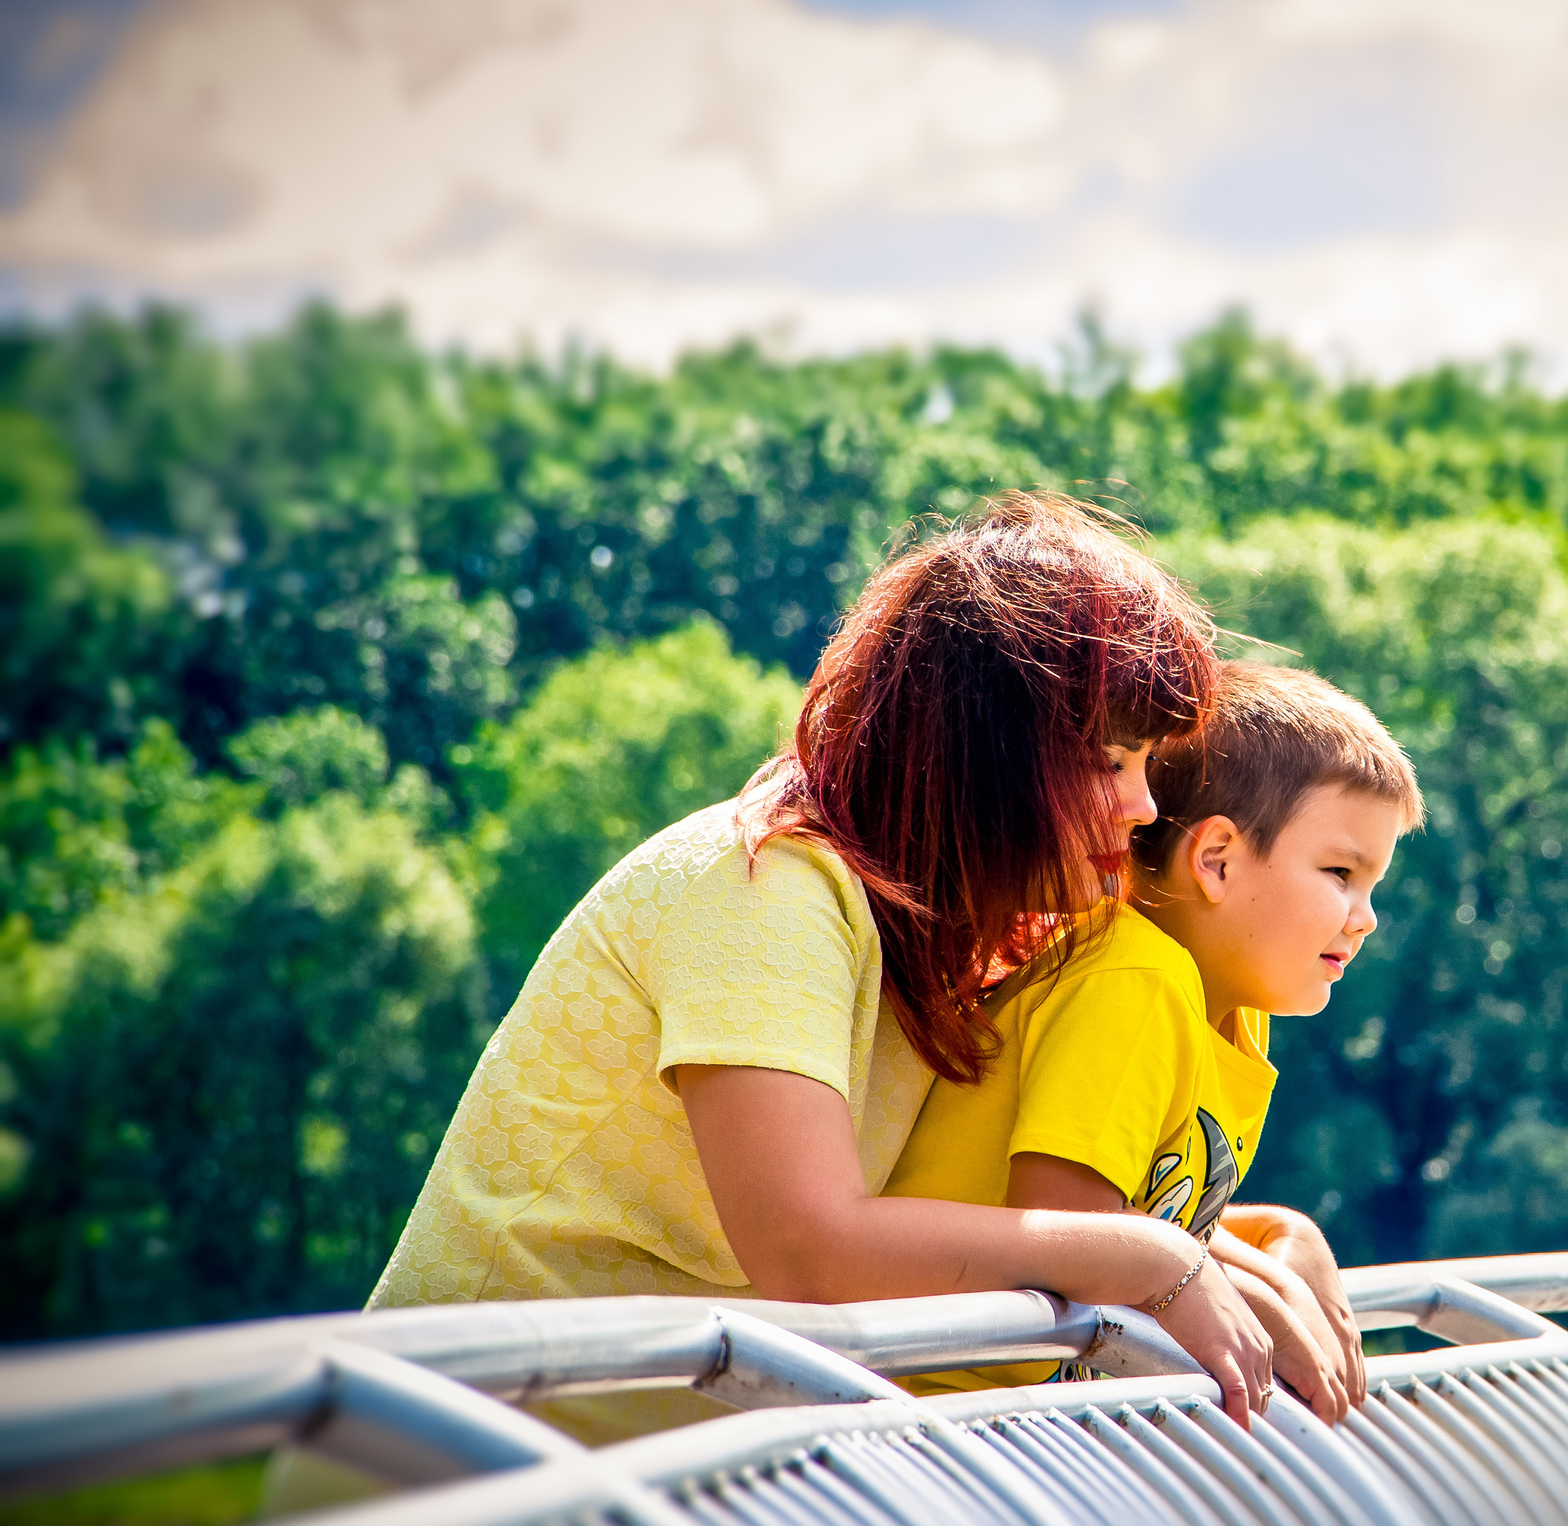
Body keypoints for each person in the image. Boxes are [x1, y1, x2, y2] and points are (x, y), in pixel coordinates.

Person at [368, 493, 1295, 1435]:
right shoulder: (764, 884)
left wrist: (1250, 1245)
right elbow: (808, 1250)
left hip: (637, 1473)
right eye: (1107, 762)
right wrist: (1150, 1261)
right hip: (446, 1465)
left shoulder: (949, 922)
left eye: (1147, 764)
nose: (1144, 808)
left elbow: (963, 1216)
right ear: (983, 752)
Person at [884, 663, 1422, 1421]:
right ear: (1216, 860)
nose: (1365, 917)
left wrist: (1278, 1241)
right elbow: (1071, 1230)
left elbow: (1147, 1220)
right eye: (1340, 873)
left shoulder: (1230, 1008)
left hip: (1034, 1425)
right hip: (936, 1417)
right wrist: (1255, 1291)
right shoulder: (1137, 979)